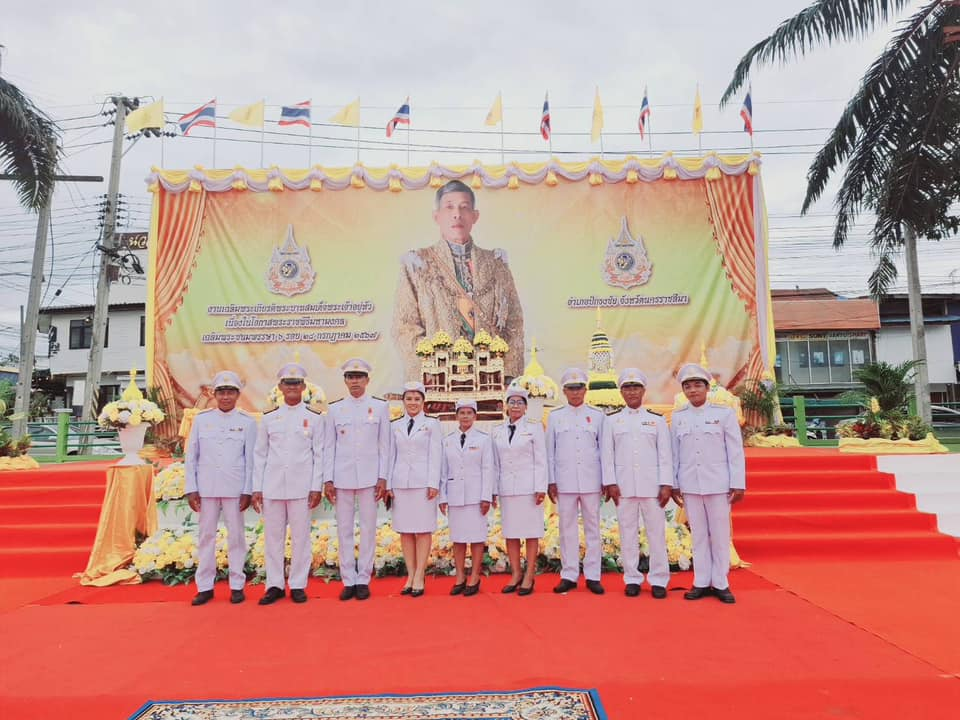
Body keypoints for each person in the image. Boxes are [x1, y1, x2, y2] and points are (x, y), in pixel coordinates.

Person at [392, 179, 525, 380]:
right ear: (436, 216)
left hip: (489, 377)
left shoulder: (496, 263)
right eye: (449, 207)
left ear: (475, 216)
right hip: (438, 379)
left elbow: (513, 322)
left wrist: (506, 375)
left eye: (464, 207)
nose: (457, 214)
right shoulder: (417, 263)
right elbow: (406, 326)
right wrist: (429, 371)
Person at [670, 362, 746, 604]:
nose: (692, 391)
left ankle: (721, 582)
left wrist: (738, 482)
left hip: (718, 484)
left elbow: (735, 451)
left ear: (706, 387)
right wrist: (673, 484)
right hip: (691, 484)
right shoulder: (678, 417)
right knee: (699, 534)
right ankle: (701, 581)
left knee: (720, 534)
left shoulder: (723, 415)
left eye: (697, 385)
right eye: (687, 386)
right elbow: (674, 454)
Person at [251, 362, 324, 605]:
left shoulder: (314, 418)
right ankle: (274, 585)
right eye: (287, 383)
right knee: (273, 538)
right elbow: (260, 455)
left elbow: (319, 454)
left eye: (296, 383)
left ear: (303, 387)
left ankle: (298, 584)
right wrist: (257, 488)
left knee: (301, 538)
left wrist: (316, 487)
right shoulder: (269, 418)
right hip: (272, 486)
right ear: (280, 387)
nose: (292, 387)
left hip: (302, 488)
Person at [185, 370, 258, 606]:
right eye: (221, 392)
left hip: (235, 489)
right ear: (214, 394)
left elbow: (251, 460)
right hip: (206, 488)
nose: (226, 396)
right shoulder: (201, 420)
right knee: (206, 537)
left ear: (238, 395)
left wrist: (248, 490)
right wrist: (191, 488)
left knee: (236, 537)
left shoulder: (247, 422)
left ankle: (237, 585)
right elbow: (192, 457)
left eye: (230, 392)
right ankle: (205, 586)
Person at [600, 368, 674, 599]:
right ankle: (632, 578)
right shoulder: (611, 421)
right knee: (627, 533)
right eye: (627, 387)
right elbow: (607, 455)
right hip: (623, 488)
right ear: (621, 392)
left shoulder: (656, 420)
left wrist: (666, 484)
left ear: (643, 390)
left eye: (636, 387)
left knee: (656, 534)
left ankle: (659, 579)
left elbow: (665, 454)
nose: (631, 392)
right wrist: (610, 483)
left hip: (652, 487)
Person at [323, 358, 391, 601]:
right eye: (351, 377)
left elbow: (385, 446)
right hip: (342, 478)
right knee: (344, 529)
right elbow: (328, 447)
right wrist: (327, 479)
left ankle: (363, 578)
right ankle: (348, 580)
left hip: (370, 478)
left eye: (359, 377)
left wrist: (383, 477)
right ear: (345, 381)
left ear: (367, 380)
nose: (355, 381)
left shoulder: (380, 407)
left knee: (368, 528)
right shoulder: (335, 408)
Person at [545, 368, 608, 595]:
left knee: (593, 528)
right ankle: (569, 574)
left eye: (579, 387)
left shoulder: (598, 416)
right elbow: (549, 451)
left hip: (591, 480)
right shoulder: (555, 416)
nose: (575, 392)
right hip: (565, 481)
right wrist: (551, 481)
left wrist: (606, 480)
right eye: (571, 388)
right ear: (564, 391)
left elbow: (604, 451)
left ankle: (593, 575)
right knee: (566, 529)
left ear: (585, 389)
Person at [387, 381, 443, 597]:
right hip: (401, 483)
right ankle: (410, 575)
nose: (412, 403)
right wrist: (390, 484)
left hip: (423, 484)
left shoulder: (432, 424)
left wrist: (433, 483)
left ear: (423, 402)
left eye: (417, 399)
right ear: (403, 401)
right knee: (405, 530)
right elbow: (391, 455)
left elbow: (436, 455)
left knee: (422, 529)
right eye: (409, 399)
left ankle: (420, 574)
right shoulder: (395, 425)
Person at [491, 386, 547, 595]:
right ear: (506, 406)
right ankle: (516, 573)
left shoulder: (534, 428)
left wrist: (540, 487)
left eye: (520, 402)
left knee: (531, 533)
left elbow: (541, 460)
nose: (515, 406)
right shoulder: (497, 431)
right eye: (512, 402)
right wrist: (494, 490)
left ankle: (530, 575)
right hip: (507, 488)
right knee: (511, 532)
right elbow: (495, 464)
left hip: (529, 488)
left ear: (525, 407)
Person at [440, 398, 494, 596]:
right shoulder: (447, 440)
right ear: (456, 416)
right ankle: (460, 576)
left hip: (476, 496)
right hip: (455, 496)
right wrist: (443, 497)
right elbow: (443, 472)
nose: (465, 417)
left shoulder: (483, 439)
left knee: (477, 537)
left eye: (469, 413)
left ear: (475, 416)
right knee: (458, 538)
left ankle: (475, 577)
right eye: (461, 413)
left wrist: (486, 496)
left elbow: (488, 469)